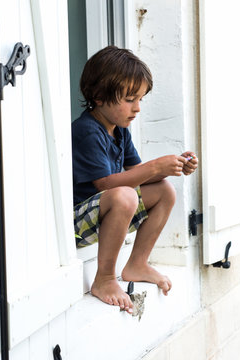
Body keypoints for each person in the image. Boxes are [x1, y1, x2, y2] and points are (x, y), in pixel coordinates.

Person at [71, 46, 198, 313]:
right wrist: (154, 167)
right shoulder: (87, 131)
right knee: (125, 193)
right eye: (130, 99)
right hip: (77, 223)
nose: (137, 108)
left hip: (108, 216)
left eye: (140, 99)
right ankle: (104, 278)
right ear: (99, 96)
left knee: (164, 191)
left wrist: (172, 167)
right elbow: (105, 185)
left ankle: (137, 264)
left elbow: (138, 176)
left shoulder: (119, 131)